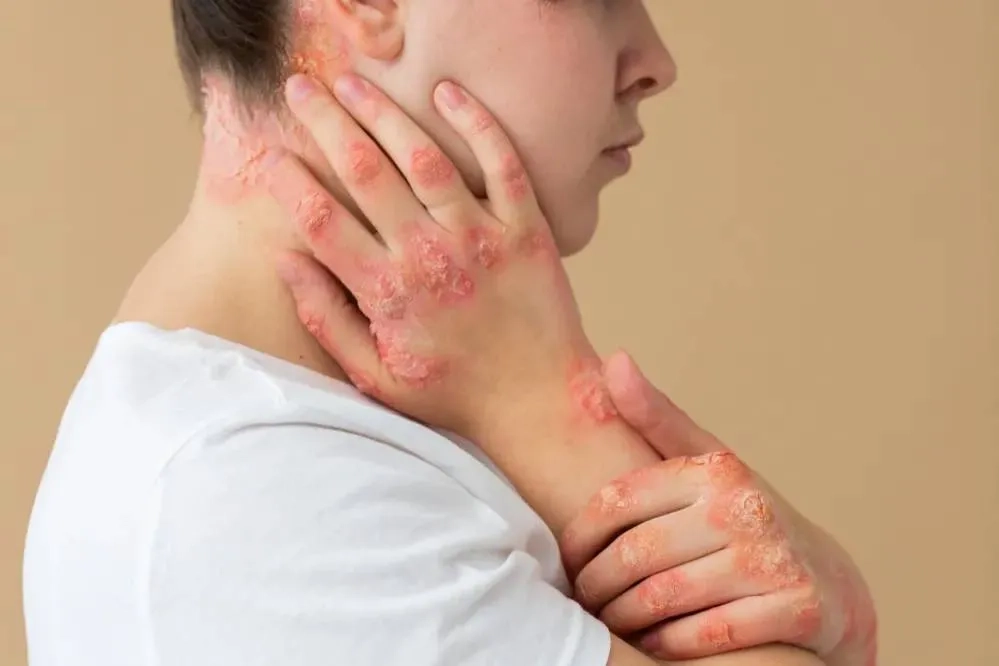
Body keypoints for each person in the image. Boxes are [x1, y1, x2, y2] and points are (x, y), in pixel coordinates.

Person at [21, 1, 875, 665]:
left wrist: (832, 604)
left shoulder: (337, 432)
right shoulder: (254, 494)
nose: (654, 61)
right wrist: (545, 413)